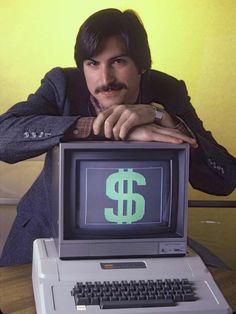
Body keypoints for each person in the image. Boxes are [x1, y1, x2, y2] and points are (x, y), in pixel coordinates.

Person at [0, 8, 235, 266]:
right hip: (43, 236)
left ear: (142, 64)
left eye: (118, 61)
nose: (105, 79)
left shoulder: (168, 91)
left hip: (138, 246)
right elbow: (5, 135)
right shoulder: (62, 84)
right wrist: (95, 127)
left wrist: (161, 116)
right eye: (92, 64)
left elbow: (224, 181)